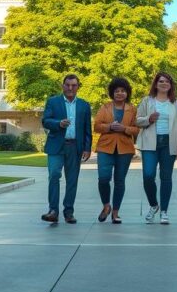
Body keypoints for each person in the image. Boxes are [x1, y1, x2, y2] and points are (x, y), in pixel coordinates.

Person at [135, 72, 177, 224]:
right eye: (161, 81)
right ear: (156, 84)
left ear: (171, 85)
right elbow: (137, 121)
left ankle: (164, 211)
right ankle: (154, 205)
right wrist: (148, 119)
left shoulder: (175, 103)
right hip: (150, 143)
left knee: (166, 178)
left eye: (167, 81)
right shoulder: (147, 100)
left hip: (168, 143)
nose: (164, 84)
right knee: (148, 175)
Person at [41, 74, 92, 224]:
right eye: (67, 85)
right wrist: (58, 123)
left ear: (78, 87)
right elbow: (45, 121)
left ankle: (69, 212)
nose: (70, 88)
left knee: (72, 180)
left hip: (75, 146)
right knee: (54, 175)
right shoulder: (53, 102)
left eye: (74, 85)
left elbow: (87, 129)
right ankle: (53, 211)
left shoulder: (84, 105)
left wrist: (87, 148)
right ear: (63, 86)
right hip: (56, 145)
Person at [93, 78, 139, 224]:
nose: (120, 93)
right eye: (117, 91)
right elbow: (97, 126)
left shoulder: (132, 109)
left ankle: (115, 212)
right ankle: (106, 206)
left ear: (127, 93)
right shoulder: (105, 107)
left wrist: (125, 129)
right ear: (112, 93)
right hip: (105, 147)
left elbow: (137, 129)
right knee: (103, 178)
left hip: (125, 149)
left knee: (119, 181)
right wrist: (109, 127)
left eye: (123, 91)